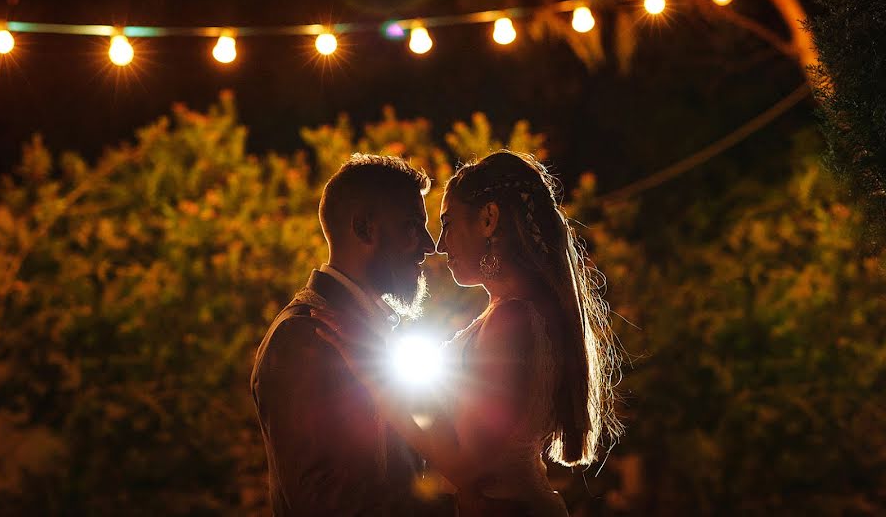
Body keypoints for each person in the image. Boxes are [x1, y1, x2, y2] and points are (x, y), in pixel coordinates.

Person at [319, 150, 623, 516]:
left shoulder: (511, 319)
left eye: (447, 223)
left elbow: (467, 466)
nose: (439, 244)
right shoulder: (520, 312)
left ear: (489, 219)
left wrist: (370, 374)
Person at [250, 153, 452, 516]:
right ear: (364, 228)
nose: (429, 245)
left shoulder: (370, 329)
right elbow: (319, 503)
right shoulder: (301, 336)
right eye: (411, 226)